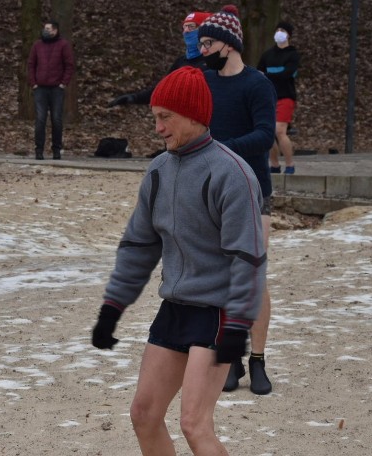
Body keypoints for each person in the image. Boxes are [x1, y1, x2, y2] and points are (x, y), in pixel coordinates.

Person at [91, 66, 267, 455]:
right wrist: (111, 309)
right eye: (155, 117)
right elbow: (139, 245)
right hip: (176, 307)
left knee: (194, 424)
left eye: (165, 117)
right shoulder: (158, 170)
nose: (158, 128)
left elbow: (248, 259)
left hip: (219, 313)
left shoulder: (231, 173)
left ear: (193, 115)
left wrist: (237, 329)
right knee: (143, 413)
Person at [197, 5, 277, 395]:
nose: (202, 50)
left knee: (252, 278)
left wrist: (222, 149)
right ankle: (229, 359)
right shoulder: (204, 82)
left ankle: (257, 360)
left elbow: (265, 135)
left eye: (208, 42)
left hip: (254, 190)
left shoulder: (257, 84)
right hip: (214, 192)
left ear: (228, 44)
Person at [107, 11, 210, 108]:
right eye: (184, 27)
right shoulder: (181, 61)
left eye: (191, 27)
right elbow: (162, 88)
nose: (186, 31)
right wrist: (134, 98)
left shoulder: (214, 62)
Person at [27, 20, 74, 160]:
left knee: (56, 119)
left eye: (48, 29)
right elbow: (31, 64)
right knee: (40, 119)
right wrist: (33, 83)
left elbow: (69, 65)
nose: (45, 31)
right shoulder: (37, 45)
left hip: (56, 88)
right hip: (40, 88)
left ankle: (56, 150)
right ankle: (39, 150)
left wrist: (63, 83)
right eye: (45, 28)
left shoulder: (63, 45)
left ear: (55, 30)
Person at [258, 21, 300, 174]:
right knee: (268, 131)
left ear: (288, 34)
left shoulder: (293, 55)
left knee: (280, 131)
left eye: (282, 30)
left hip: (285, 97)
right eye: (277, 29)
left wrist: (268, 75)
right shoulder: (267, 55)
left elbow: (286, 74)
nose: (279, 32)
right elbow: (258, 73)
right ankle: (274, 165)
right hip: (269, 97)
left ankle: (290, 164)